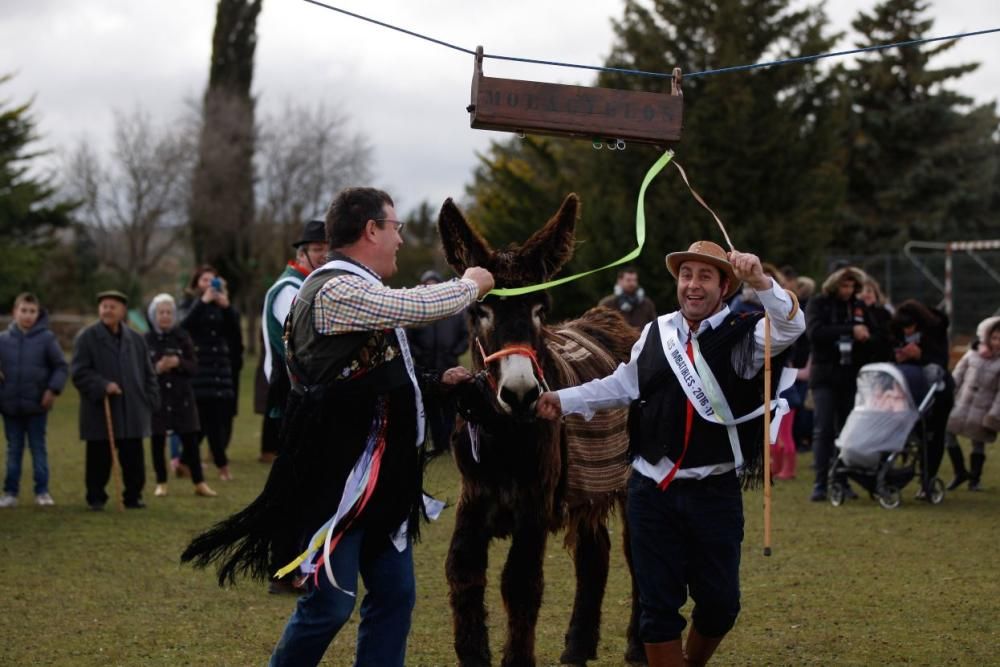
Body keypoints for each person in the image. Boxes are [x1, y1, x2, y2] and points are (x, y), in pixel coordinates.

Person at [181, 187, 495, 667]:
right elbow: (414, 309)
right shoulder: (334, 289)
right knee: (328, 606)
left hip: (383, 480)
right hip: (336, 481)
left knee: (395, 597)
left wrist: (435, 383)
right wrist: (471, 284)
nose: (402, 242)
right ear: (372, 229)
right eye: (397, 230)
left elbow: (374, 375)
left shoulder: (360, 290)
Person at [536, 240, 804, 666]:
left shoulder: (747, 335)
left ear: (725, 286)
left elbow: (791, 327)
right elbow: (624, 385)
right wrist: (563, 400)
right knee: (657, 610)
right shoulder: (655, 332)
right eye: (685, 275)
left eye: (704, 276)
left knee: (720, 605)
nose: (692, 286)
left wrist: (763, 281)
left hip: (714, 493)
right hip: (651, 492)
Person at [804, 266, 889, 502]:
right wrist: (850, 330)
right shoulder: (819, 304)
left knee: (847, 431)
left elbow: (879, 337)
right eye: (844, 285)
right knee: (823, 429)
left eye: (851, 286)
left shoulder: (860, 307)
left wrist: (866, 337)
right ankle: (820, 482)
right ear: (834, 284)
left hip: (851, 375)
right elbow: (814, 332)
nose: (848, 290)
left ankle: (842, 479)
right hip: (824, 375)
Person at [71, 291, 159, 510]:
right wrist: (102, 385)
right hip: (101, 408)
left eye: (112, 306)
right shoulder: (87, 337)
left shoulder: (136, 339)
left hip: (133, 408)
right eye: (104, 306)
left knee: (133, 457)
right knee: (99, 456)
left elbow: (149, 373)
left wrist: (151, 399)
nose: (107, 310)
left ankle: (133, 496)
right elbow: (79, 372)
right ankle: (96, 497)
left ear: (122, 311)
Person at [259, 218, 329, 464]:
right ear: (302, 254)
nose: (324, 254)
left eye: (327, 248)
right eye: (317, 249)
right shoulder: (289, 288)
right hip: (290, 386)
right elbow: (307, 334)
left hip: (307, 385)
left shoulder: (311, 284)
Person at [0, 293, 68, 508]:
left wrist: (52, 390)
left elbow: (60, 367)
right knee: (14, 449)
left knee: (38, 448)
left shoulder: (46, 339)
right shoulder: (3, 340)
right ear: (15, 312)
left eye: (32, 311)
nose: (28, 316)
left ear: (38, 314)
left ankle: (42, 491)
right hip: (10, 405)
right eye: (24, 311)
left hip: (38, 405)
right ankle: (10, 492)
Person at [145, 294, 215, 498]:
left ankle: (199, 482)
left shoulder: (183, 336)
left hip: (182, 397)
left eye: (169, 312)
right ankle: (161, 482)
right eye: (161, 313)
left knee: (191, 441)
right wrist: (156, 367)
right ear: (153, 315)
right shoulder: (146, 340)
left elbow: (194, 366)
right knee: (157, 442)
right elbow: (140, 370)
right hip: (157, 399)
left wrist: (178, 362)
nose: (165, 316)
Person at [179, 266, 242, 481]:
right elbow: (183, 326)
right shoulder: (190, 304)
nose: (209, 283)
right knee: (203, 421)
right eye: (204, 280)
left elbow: (234, 332)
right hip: (199, 368)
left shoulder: (221, 305)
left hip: (220, 370)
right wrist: (203, 301)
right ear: (197, 283)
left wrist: (227, 307)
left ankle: (186, 461)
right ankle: (218, 466)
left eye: (213, 279)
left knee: (217, 420)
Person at [890, 299, 954, 498]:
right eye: (904, 328)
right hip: (908, 391)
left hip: (937, 391)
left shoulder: (935, 331)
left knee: (933, 436)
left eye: (910, 327)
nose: (907, 332)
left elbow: (941, 361)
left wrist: (921, 356)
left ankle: (929, 479)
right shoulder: (895, 331)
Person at [406, 269, 469, 454]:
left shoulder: (455, 312)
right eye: (428, 286)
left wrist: (454, 351)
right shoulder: (416, 312)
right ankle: (438, 444)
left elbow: (465, 336)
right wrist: (419, 353)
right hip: (426, 368)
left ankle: (450, 442)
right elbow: (408, 338)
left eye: (435, 286)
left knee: (450, 407)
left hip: (449, 364)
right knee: (431, 408)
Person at [946, 316, 1000, 491]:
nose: (997, 342)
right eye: (994, 338)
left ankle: (975, 479)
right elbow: (957, 376)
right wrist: (948, 396)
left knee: (978, 442)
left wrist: (994, 414)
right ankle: (959, 471)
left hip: (983, 408)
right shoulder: (972, 354)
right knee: (948, 433)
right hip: (962, 403)